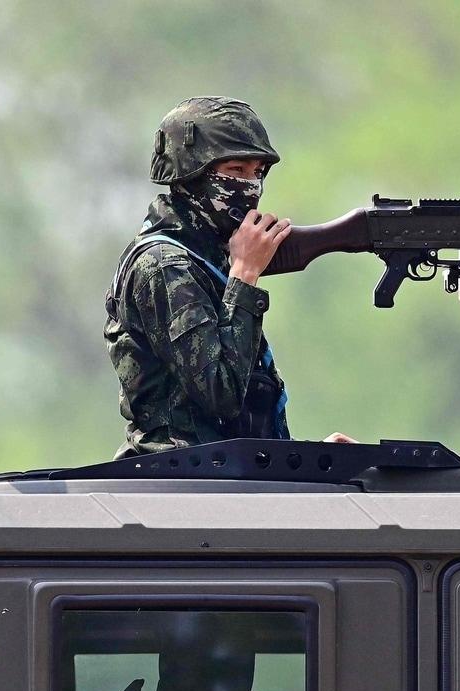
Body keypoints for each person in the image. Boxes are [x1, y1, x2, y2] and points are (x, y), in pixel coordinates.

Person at [104, 96, 354, 457]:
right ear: (191, 176)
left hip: (224, 474)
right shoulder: (163, 266)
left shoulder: (209, 258)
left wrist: (303, 457)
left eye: (258, 173)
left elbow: (236, 418)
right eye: (236, 171)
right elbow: (221, 393)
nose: (251, 187)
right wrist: (246, 274)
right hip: (184, 482)